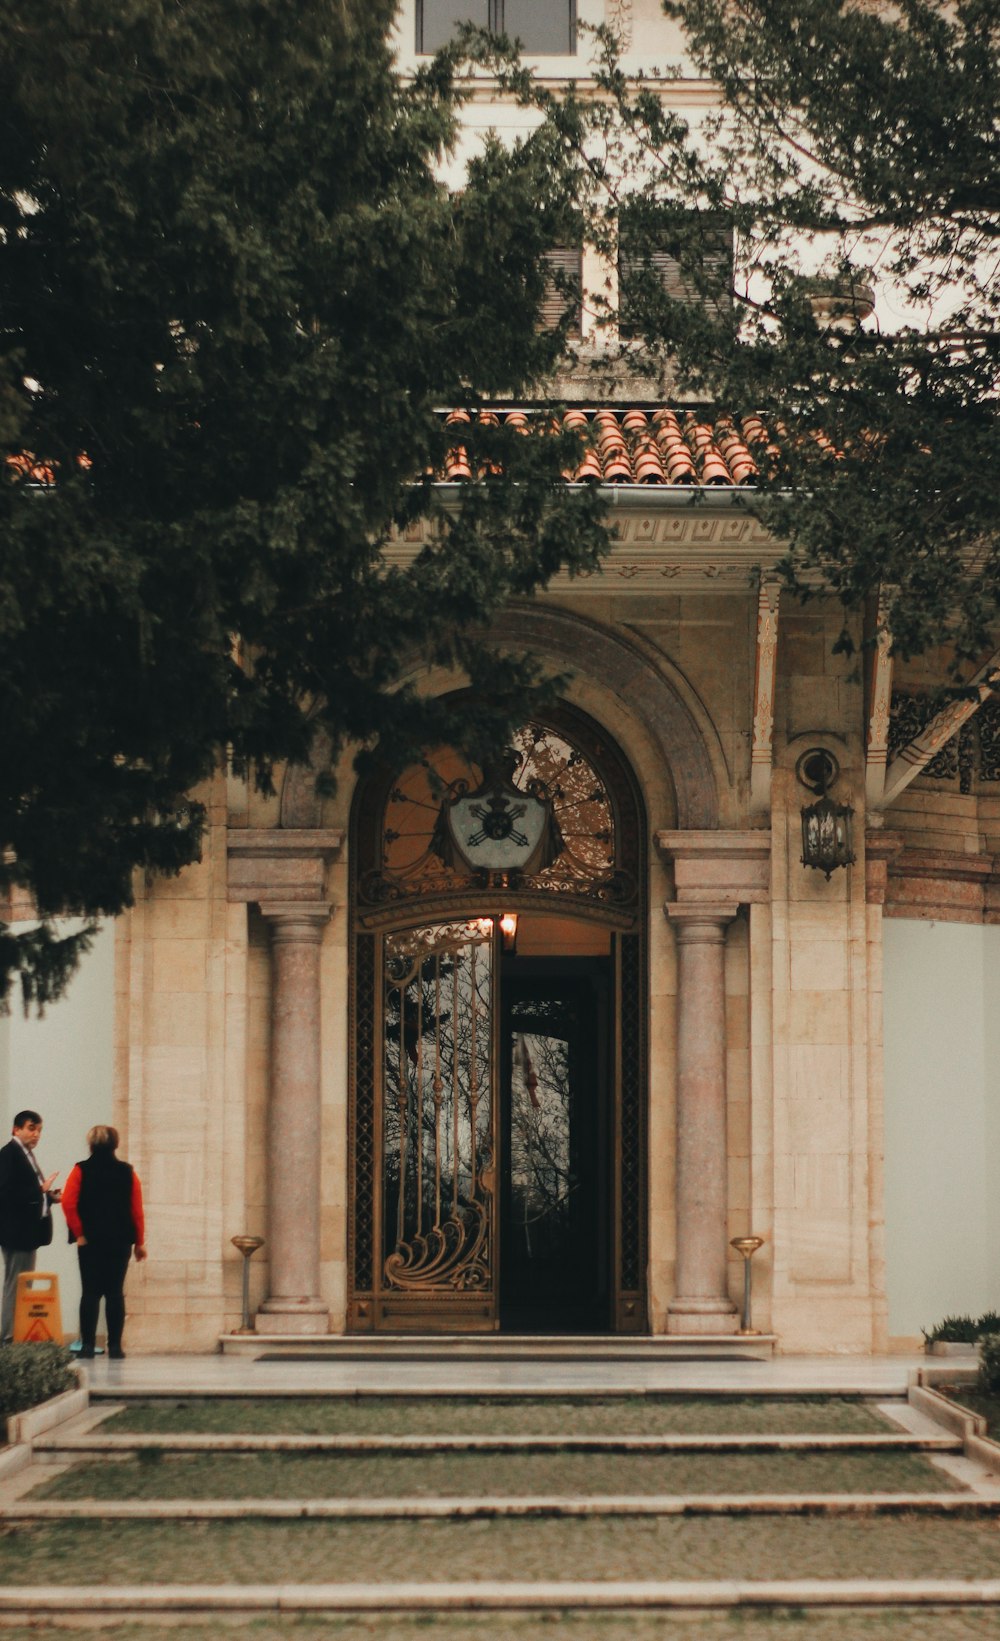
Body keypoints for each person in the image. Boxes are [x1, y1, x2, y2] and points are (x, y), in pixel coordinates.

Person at [61, 1125, 146, 1360]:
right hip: (119, 1241)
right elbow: (136, 1210)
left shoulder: (80, 1170)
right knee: (115, 1293)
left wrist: (79, 1232)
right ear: (116, 1144)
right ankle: (116, 1347)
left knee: (90, 1293)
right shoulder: (128, 1172)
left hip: (90, 1241)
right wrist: (139, 1242)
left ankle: (87, 1345)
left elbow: (68, 1203)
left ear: (90, 1144)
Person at [0, 1109, 61, 1343]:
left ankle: (17, 1334)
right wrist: (39, 1191)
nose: (36, 1134)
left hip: (26, 1231)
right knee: (16, 1285)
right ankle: (9, 1336)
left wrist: (49, 1197)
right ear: (17, 1129)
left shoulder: (25, 1154)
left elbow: (30, 1191)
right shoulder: (9, 1154)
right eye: (31, 1128)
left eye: (39, 1130)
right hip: (16, 1232)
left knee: (22, 1285)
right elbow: (5, 1192)